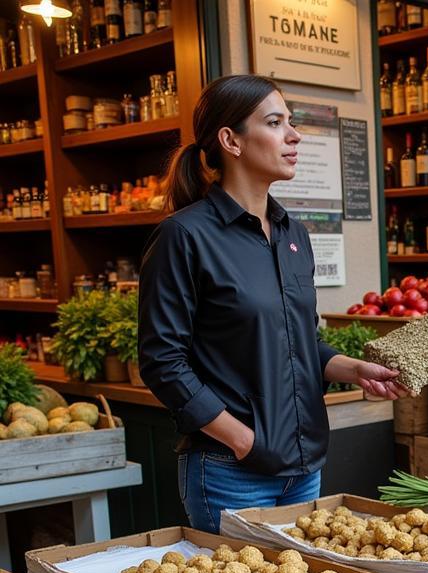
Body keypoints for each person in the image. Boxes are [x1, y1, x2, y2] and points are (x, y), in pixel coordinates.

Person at [139, 75, 405, 534]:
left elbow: (298, 341)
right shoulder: (184, 237)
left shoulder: (293, 235)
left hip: (304, 468)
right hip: (230, 471)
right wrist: (242, 441)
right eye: (276, 122)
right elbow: (162, 361)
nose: (294, 135)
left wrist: (352, 369)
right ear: (230, 140)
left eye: (291, 123)